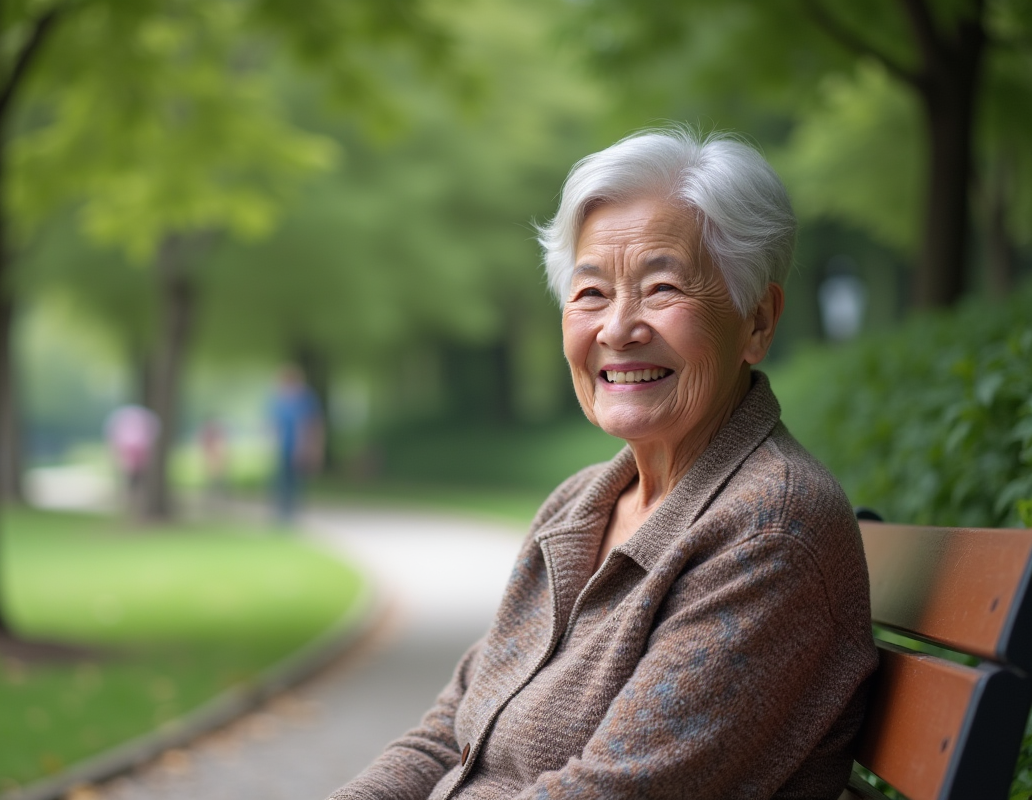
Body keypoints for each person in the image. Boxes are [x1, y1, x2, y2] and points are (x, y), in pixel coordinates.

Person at [330, 128, 877, 800]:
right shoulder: (577, 506)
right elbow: (450, 730)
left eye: (662, 287)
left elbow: (612, 793)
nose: (618, 328)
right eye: (590, 293)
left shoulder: (770, 532)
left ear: (757, 322)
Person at [268, 364, 324, 521]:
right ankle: (282, 513)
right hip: (283, 447)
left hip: (301, 447)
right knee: (280, 481)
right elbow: (274, 424)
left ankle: (291, 513)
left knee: (295, 482)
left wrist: (312, 449)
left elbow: (313, 425)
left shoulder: (306, 399)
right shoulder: (279, 400)